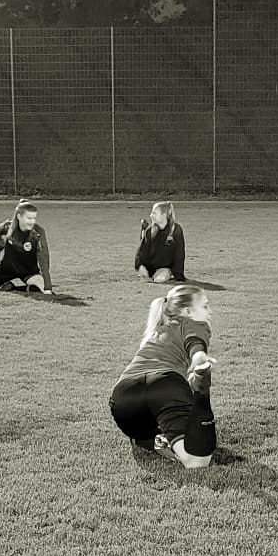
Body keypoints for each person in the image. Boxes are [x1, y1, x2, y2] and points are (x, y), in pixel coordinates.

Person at [109, 284, 217, 469]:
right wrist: (200, 361)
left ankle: (153, 441)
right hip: (165, 385)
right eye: (205, 306)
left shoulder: (157, 331)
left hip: (123, 399)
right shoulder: (194, 324)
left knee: (151, 425)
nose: (210, 311)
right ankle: (200, 394)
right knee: (198, 461)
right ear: (188, 311)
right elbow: (195, 343)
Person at [0, 199, 52, 293]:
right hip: (7, 269)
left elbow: (44, 258)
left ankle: (13, 288)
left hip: (28, 271)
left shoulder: (38, 231)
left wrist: (48, 288)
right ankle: (8, 284)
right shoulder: (7, 227)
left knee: (41, 286)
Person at [135, 200, 187, 282]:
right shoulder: (150, 230)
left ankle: (165, 274)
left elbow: (179, 254)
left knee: (159, 279)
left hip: (165, 268)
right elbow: (141, 251)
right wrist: (140, 266)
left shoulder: (176, 230)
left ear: (164, 215)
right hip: (151, 267)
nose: (151, 215)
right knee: (148, 277)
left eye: (154, 213)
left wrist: (178, 275)